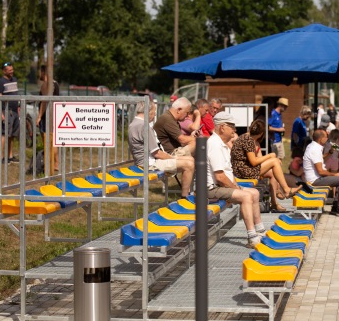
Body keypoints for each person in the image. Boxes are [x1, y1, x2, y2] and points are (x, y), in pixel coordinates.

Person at [207, 112, 266, 248]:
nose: (234, 130)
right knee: (245, 196)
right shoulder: (214, 145)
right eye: (232, 126)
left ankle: (260, 231)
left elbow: (228, 172)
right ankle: (252, 237)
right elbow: (220, 177)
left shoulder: (221, 144)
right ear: (222, 127)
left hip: (220, 186)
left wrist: (235, 185)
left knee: (255, 193)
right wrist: (236, 189)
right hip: (211, 189)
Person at [128, 101, 195, 197]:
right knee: (189, 164)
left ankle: (187, 194)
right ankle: (185, 196)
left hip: (146, 161)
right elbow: (157, 153)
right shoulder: (144, 126)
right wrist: (173, 158)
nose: (155, 114)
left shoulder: (135, 123)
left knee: (190, 160)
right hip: (150, 164)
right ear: (148, 111)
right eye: (154, 111)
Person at [231, 119, 299, 212]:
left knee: (274, 169)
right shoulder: (248, 140)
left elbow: (259, 160)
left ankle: (274, 202)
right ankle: (286, 190)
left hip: (247, 169)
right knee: (275, 162)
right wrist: (270, 156)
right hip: (243, 172)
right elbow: (254, 162)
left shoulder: (249, 139)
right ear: (262, 133)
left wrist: (270, 159)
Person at [303, 129, 339, 217]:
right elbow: (321, 171)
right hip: (315, 180)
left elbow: (319, 159)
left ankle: (336, 207)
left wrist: (330, 152)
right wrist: (334, 174)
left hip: (315, 178)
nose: (327, 139)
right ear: (321, 139)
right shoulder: (315, 149)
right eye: (326, 137)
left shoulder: (313, 146)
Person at [0, 61, 20, 163]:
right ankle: (1, 157)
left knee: (12, 135)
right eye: (9, 70)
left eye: (12, 70)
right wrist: (0, 113)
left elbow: (16, 94)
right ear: (4, 71)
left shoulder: (14, 80)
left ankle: (10, 156)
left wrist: (18, 107)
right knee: (4, 134)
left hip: (14, 111)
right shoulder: (1, 82)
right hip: (7, 111)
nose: (11, 72)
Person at [36, 65, 60, 171]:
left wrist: (39, 116)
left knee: (47, 139)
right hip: (55, 113)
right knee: (53, 139)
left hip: (47, 115)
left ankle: (50, 163)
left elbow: (44, 102)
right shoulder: (56, 84)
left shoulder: (46, 85)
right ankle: (56, 163)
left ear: (43, 72)